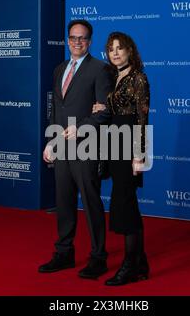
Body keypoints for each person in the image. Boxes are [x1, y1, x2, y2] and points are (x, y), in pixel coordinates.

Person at [39, 20, 112, 279]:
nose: (77, 42)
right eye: (73, 37)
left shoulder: (100, 69)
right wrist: (51, 140)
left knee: (91, 203)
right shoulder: (59, 69)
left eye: (82, 38)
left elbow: (105, 112)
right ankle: (64, 253)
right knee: (64, 201)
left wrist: (80, 128)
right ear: (67, 40)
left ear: (90, 41)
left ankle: (98, 257)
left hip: (86, 146)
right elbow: (56, 110)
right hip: (62, 148)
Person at [92, 32, 150, 286]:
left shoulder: (139, 78)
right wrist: (103, 107)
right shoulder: (114, 77)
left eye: (120, 48)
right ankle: (140, 261)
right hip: (114, 142)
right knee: (126, 205)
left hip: (129, 145)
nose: (115, 53)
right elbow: (113, 110)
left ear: (130, 51)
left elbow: (141, 118)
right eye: (110, 49)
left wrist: (139, 155)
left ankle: (130, 265)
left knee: (125, 205)